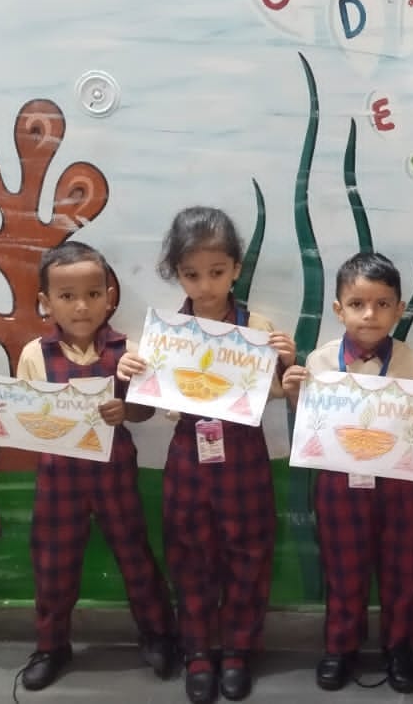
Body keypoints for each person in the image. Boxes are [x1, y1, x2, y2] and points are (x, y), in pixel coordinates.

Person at [0, 241, 176, 690]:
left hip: (114, 471)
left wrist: (126, 410)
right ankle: (51, 646)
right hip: (58, 476)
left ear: (109, 297)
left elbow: (146, 410)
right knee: (53, 562)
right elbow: (22, 413)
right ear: (46, 302)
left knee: (135, 555)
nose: (82, 306)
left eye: (93, 294)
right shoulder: (34, 354)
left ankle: (159, 634)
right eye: (67, 296)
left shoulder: (128, 351)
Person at [118, 206, 297, 704]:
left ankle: (237, 651)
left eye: (217, 272)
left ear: (236, 268)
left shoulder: (256, 326)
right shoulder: (167, 333)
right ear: (176, 273)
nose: (205, 285)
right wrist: (132, 371)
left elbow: (276, 393)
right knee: (188, 554)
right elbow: (146, 406)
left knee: (249, 554)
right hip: (188, 455)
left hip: (244, 456)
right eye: (192, 274)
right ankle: (197, 651)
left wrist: (285, 362)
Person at [280, 252, 413, 694]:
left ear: (399, 310)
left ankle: (400, 647)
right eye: (358, 304)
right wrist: (293, 395)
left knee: (403, 567)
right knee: (343, 567)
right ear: (338, 309)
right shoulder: (320, 362)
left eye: (382, 304)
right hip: (338, 482)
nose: (370, 314)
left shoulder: (412, 360)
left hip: (398, 483)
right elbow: (311, 422)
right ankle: (340, 646)